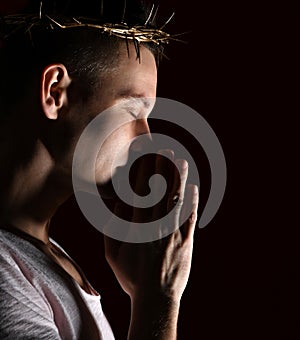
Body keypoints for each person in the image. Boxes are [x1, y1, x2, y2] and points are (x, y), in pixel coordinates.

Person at [0, 0, 199, 339]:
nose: (145, 138)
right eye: (133, 110)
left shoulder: (42, 259)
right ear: (55, 92)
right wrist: (157, 299)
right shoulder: (6, 276)